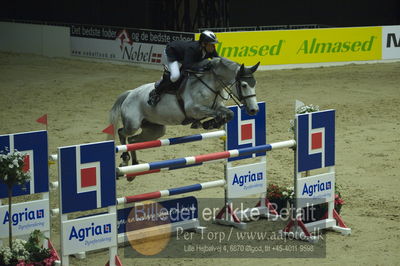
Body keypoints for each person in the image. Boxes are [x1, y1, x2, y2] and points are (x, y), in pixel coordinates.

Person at [147, 30, 219, 107]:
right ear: (204, 44)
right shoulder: (192, 48)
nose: (214, 47)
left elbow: (218, 59)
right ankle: (156, 92)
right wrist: (203, 67)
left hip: (184, 57)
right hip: (173, 53)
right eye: (211, 44)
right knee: (175, 76)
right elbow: (187, 66)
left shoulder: (210, 49)